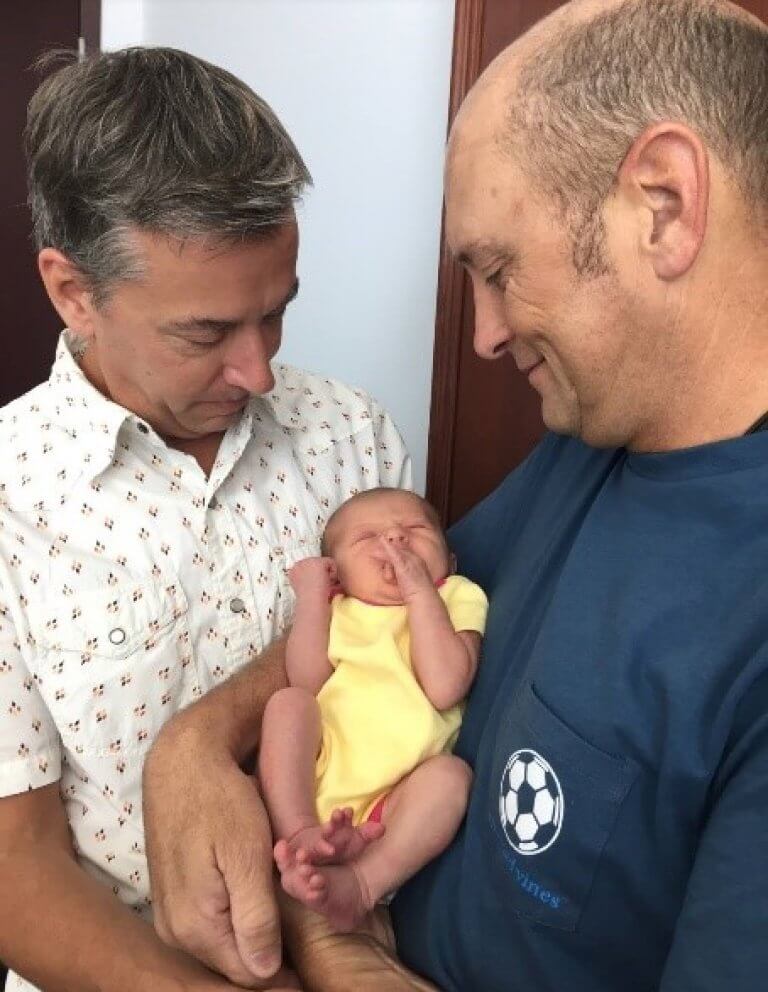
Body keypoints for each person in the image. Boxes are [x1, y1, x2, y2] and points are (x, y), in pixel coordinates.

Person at [139, 1, 768, 990]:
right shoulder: (596, 441)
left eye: (499, 269)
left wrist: (329, 940)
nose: (483, 334)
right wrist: (194, 745)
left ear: (664, 204)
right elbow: (384, 609)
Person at [0, 47, 412, 992]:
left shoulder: (351, 437)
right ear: (73, 291)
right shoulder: (10, 501)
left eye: (276, 313)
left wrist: (199, 739)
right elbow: (16, 865)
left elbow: (406, 671)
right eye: (206, 332)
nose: (258, 371)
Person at [258, 488, 487, 931]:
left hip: (397, 803)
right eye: (368, 538)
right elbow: (307, 681)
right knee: (289, 704)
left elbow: (445, 687)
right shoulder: (340, 607)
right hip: (321, 770)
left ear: (452, 561)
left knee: (451, 778)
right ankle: (299, 834)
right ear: (338, 573)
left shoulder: (457, 595)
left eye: (416, 529)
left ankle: (362, 883)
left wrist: (420, 592)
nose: (396, 539)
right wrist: (313, 599)